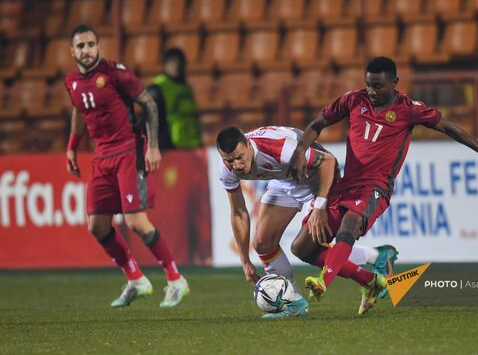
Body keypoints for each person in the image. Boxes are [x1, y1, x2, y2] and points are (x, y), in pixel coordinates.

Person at [289, 56, 478, 315]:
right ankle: (370, 281)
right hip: (344, 185)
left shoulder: (409, 110)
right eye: (369, 85)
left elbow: (450, 128)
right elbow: (317, 124)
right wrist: (301, 149)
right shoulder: (353, 100)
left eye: (378, 86)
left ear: (395, 82)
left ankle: (323, 283)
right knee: (302, 248)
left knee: (351, 223)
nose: (372, 92)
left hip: (375, 188)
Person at [64, 24, 190, 308]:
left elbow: (149, 104)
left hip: (127, 151)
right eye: (81, 46)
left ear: (98, 47)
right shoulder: (71, 81)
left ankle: (175, 279)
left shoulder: (115, 73)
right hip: (101, 157)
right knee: (96, 226)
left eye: (91, 44)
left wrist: (154, 146)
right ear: (72, 51)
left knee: (135, 220)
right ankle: (136, 279)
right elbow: (78, 109)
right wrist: (72, 147)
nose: (87, 50)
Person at [216, 126, 398, 318]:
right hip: (285, 180)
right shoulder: (227, 169)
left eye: (239, 157)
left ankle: (372, 266)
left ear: (248, 145)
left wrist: (319, 207)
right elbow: (238, 213)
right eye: (229, 160)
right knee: (262, 243)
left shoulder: (279, 148)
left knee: (305, 248)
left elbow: (328, 162)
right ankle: (294, 304)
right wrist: (245, 261)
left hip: (318, 177)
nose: (236, 165)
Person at [144, 47, 202, 151]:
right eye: (172, 62)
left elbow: (193, 119)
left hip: (190, 147)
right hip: (169, 149)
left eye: (179, 62)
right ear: (165, 65)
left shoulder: (187, 89)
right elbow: (148, 121)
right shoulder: (157, 89)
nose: (176, 66)